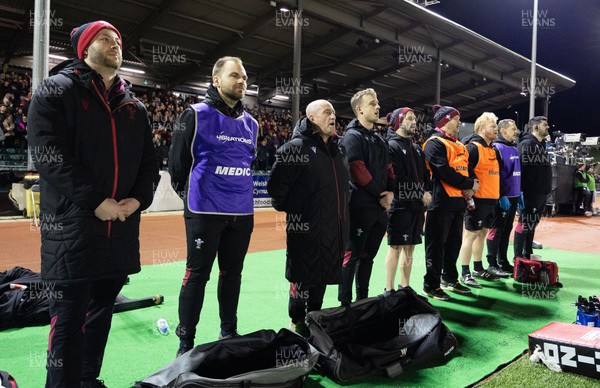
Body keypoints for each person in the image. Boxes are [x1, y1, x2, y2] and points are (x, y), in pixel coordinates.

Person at [27, 21, 159, 388]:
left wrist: (140, 197)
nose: (115, 43)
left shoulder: (134, 105)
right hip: (73, 228)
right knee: (68, 319)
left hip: (119, 230)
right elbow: (48, 155)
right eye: (105, 38)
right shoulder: (57, 90)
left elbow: (150, 163)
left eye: (118, 39)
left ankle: (88, 381)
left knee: (101, 313)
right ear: (84, 49)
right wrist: (95, 200)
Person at [169, 56, 258, 357]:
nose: (241, 81)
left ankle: (228, 332)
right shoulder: (194, 114)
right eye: (235, 76)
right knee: (197, 275)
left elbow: (248, 162)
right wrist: (194, 199)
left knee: (232, 274)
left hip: (242, 212)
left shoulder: (252, 124)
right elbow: (177, 166)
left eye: (244, 77)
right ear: (216, 80)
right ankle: (185, 343)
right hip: (204, 212)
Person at [267, 99, 349, 336]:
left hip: (333, 229)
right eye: (326, 112)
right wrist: (299, 210)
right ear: (311, 118)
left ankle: (315, 317)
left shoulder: (339, 149)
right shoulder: (295, 148)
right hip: (305, 229)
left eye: (333, 112)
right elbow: (276, 190)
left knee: (322, 276)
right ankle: (297, 320)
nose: (332, 116)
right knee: (302, 277)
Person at [338, 88, 394, 305]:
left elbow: (390, 169)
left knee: (367, 257)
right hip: (360, 208)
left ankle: (363, 301)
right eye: (372, 103)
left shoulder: (379, 139)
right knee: (351, 257)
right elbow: (357, 170)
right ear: (359, 109)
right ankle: (345, 304)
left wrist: (390, 192)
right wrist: (382, 194)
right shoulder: (352, 136)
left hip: (379, 209)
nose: (377, 106)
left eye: (377, 102)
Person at [422, 105, 479, 300]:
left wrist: (471, 184)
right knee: (436, 245)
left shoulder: (461, 145)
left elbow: (469, 169)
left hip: (458, 204)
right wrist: (468, 184)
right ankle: (431, 284)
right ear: (445, 121)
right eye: (456, 118)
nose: (459, 122)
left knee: (454, 244)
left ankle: (449, 278)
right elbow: (443, 171)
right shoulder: (434, 143)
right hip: (440, 204)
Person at [383, 107, 431, 292]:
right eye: (409, 118)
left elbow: (425, 176)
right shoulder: (391, 146)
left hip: (416, 207)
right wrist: (421, 193)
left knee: (410, 247)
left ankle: (405, 288)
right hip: (400, 206)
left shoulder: (417, 148)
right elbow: (398, 178)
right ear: (398, 122)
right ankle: (389, 289)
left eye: (414, 119)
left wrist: (426, 191)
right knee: (396, 246)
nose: (414, 122)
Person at [458, 112, 501, 288]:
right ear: (482, 128)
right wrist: (468, 192)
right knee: (470, 235)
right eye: (493, 126)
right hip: (477, 200)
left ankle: (477, 268)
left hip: (491, 199)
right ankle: (465, 272)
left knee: (482, 234)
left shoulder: (493, 149)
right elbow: (464, 171)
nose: (496, 129)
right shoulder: (472, 148)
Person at [485, 119, 522, 276]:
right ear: (503, 131)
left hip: (514, 197)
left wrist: (520, 192)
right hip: (501, 198)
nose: (516, 131)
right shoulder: (497, 148)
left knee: (506, 231)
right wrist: (501, 195)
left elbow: (517, 172)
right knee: (496, 230)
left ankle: (503, 261)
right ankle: (491, 263)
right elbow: (495, 175)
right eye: (513, 129)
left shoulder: (514, 148)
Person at [513, 116, 552, 259]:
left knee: (531, 224)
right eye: (544, 125)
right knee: (525, 223)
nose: (547, 127)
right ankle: (518, 257)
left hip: (540, 193)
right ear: (535, 127)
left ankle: (527, 253)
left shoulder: (540, 145)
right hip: (530, 193)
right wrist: (520, 191)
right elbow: (520, 169)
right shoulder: (527, 144)